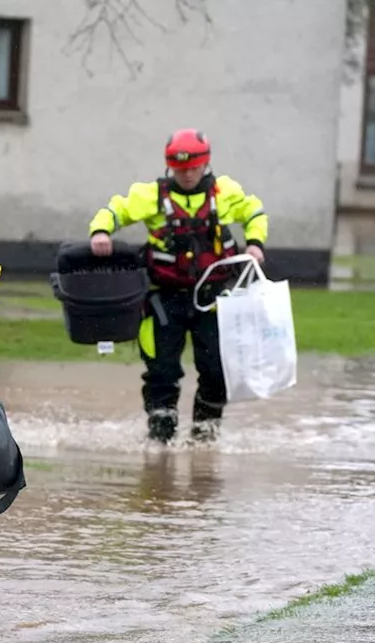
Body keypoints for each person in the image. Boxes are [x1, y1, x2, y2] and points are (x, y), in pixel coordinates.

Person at [86, 128, 269, 444]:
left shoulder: (225, 193)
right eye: (180, 168)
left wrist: (254, 244)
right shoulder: (151, 195)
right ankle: (161, 440)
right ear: (170, 166)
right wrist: (100, 231)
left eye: (193, 168)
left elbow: (254, 212)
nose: (186, 174)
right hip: (163, 298)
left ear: (205, 164)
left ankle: (203, 438)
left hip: (213, 299)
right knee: (161, 370)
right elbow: (116, 209)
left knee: (215, 371)